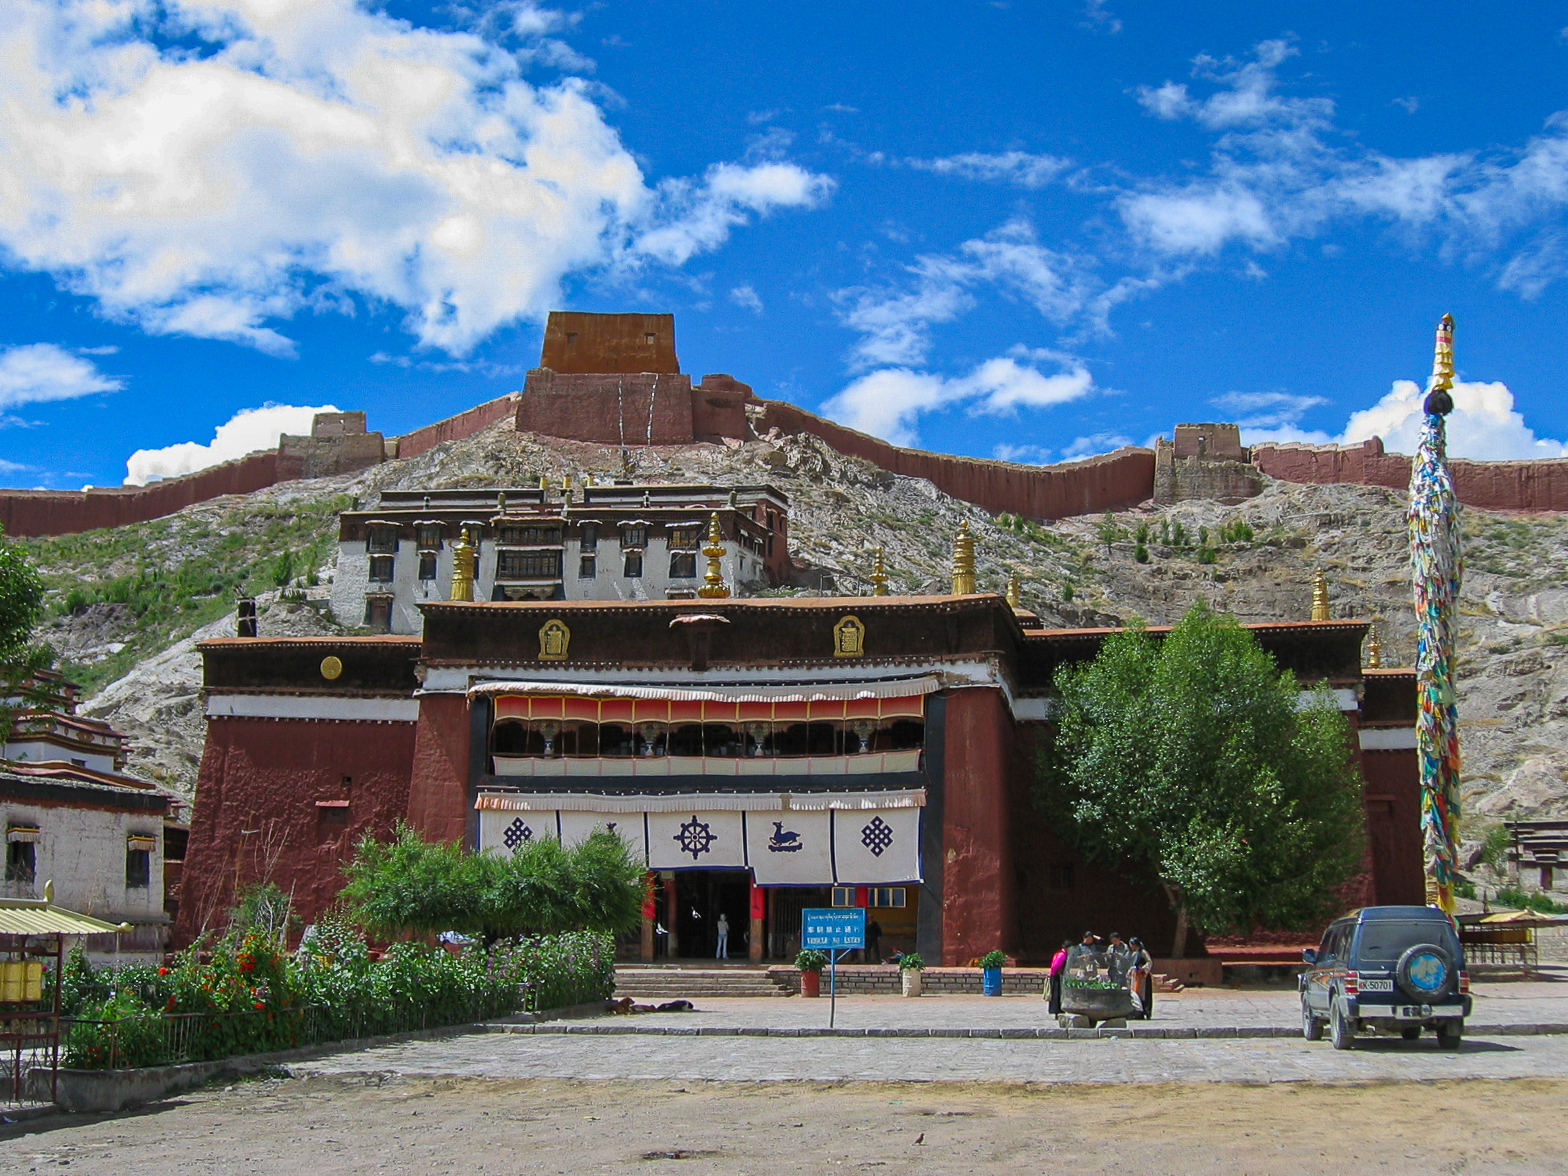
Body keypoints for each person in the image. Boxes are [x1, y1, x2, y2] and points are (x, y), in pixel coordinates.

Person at [1128, 936, 1154, 1019]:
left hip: (1143, 977)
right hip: (1136, 977)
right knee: (1137, 995)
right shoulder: (1134, 953)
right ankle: (1139, 1013)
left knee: (1145, 995)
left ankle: (1147, 1011)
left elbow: (1149, 962)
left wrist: (1143, 969)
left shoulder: (1143, 952)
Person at [1047, 939, 1071, 1014]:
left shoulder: (1059, 954)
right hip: (1057, 977)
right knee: (1057, 994)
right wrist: (1054, 974)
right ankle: (1056, 1010)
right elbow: (1056, 966)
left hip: (1057, 976)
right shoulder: (1062, 955)